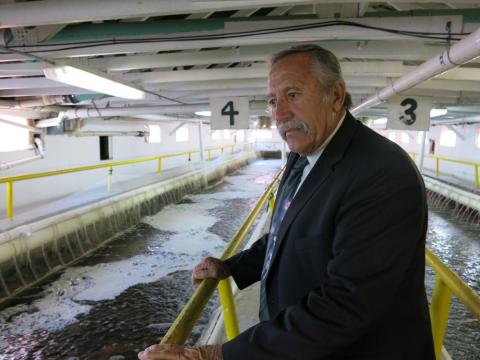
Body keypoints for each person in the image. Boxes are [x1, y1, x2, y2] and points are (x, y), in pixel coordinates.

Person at [138, 45, 435, 360]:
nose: (279, 114)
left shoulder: (381, 173)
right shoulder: (303, 154)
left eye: (292, 94)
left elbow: (347, 304)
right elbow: (288, 233)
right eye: (272, 100)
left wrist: (216, 355)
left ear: (335, 96)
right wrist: (230, 266)